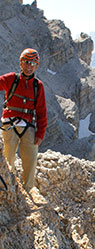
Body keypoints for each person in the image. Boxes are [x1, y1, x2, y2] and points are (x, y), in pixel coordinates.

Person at [0, 48, 47, 192]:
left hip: (28, 125)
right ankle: (8, 187)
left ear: (36, 66)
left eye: (33, 63)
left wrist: (40, 134)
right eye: (26, 62)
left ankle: (27, 189)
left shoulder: (37, 86)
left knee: (31, 159)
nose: (29, 66)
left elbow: (41, 112)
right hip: (9, 123)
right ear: (21, 63)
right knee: (8, 157)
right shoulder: (11, 79)